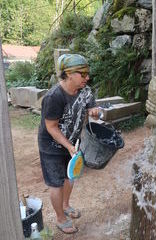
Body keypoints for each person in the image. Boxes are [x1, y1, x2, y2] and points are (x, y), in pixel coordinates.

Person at [38, 54, 99, 234]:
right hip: (52, 146)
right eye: (83, 74)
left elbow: (91, 107)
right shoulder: (54, 97)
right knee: (56, 183)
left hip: (72, 142)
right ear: (69, 74)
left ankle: (65, 205)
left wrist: (95, 111)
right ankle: (60, 218)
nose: (87, 77)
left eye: (87, 73)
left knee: (70, 176)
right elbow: (51, 127)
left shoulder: (85, 90)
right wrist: (68, 145)